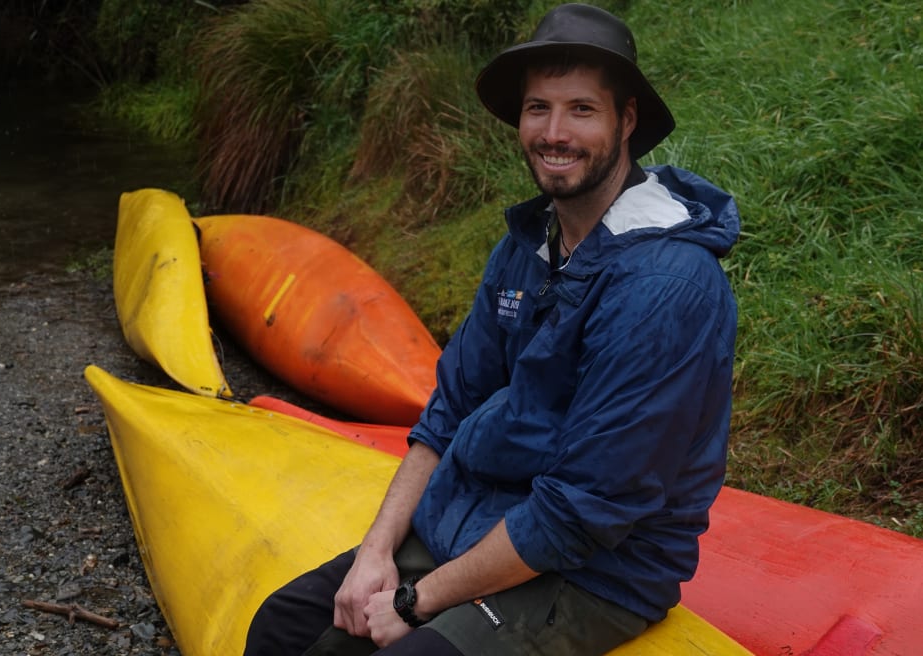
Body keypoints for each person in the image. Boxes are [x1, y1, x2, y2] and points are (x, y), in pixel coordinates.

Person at [244, 3, 740, 655]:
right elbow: (451, 406)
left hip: (594, 571)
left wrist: (415, 601)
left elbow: (580, 512)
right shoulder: (527, 246)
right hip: (477, 522)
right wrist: (375, 553)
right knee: (284, 625)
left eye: (581, 110)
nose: (554, 132)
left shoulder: (664, 288)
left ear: (627, 122)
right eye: (539, 109)